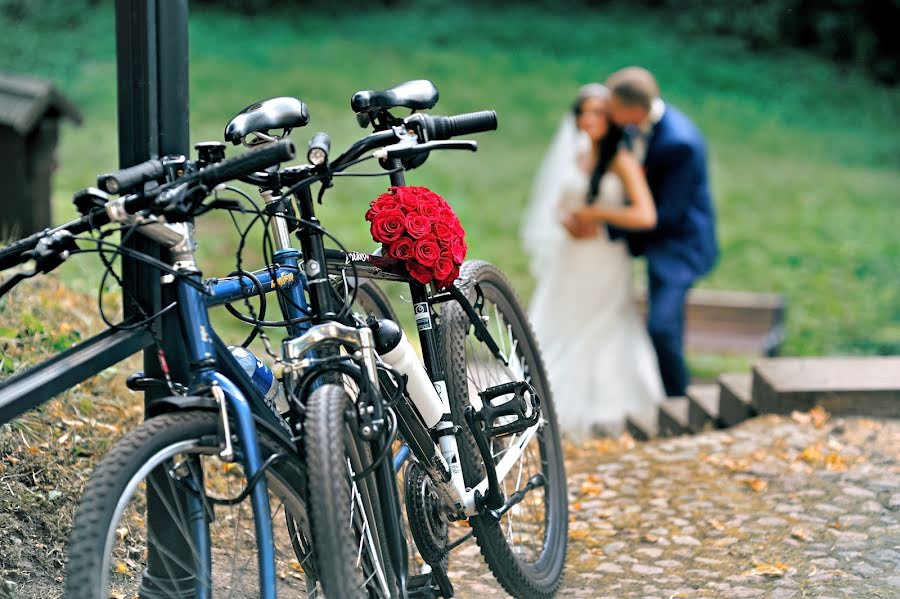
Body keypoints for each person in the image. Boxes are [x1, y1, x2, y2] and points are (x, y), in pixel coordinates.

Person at [522, 83, 665, 440]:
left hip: (603, 256)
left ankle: (605, 406)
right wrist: (566, 219)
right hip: (571, 256)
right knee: (558, 320)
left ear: (613, 118)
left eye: (599, 112)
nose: (590, 119)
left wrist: (594, 214)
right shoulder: (577, 153)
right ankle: (541, 398)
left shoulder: (621, 159)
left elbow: (645, 215)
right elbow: (559, 201)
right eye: (584, 112)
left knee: (602, 326)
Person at [572, 67, 718, 397]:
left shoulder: (680, 143)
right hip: (653, 241)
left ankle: (679, 401)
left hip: (679, 246)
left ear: (634, 111)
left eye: (613, 109)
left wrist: (602, 225)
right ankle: (675, 393)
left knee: (662, 327)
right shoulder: (633, 128)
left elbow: (667, 214)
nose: (608, 114)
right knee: (668, 329)